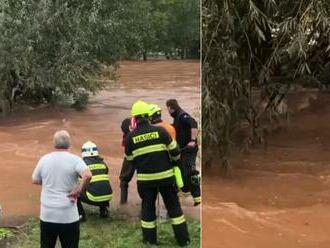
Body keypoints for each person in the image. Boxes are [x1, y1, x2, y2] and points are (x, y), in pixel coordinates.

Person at [124, 100, 190, 246]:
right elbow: (175, 152)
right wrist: (173, 162)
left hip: (145, 181)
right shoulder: (161, 131)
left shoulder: (130, 138)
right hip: (166, 177)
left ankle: (149, 241)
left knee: (147, 209)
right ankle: (183, 240)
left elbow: (130, 159)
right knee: (174, 208)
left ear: (134, 118)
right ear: (148, 116)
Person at [32, 130, 92, 248]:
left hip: (47, 214)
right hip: (68, 215)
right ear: (69, 144)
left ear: (54, 143)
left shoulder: (44, 159)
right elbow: (88, 175)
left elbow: (35, 180)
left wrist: (49, 183)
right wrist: (79, 189)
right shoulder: (75, 160)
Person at [166, 99, 201, 206]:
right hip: (182, 150)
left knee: (190, 173)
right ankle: (186, 193)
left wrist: (192, 140)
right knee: (182, 172)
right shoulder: (177, 118)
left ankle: (197, 197)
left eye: (167, 108)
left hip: (189, 149)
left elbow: (193, 123)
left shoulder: (182, 115)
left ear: (170, 108)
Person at [77, 141, 113, 221]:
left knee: (75, 191)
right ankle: (104, 211)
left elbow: (78, 178)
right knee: (100, 185)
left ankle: (80, 215)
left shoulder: (82, 164)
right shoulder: (103, 164)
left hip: (94, 198)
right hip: (108, 197)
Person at [119, 117, 136, 204]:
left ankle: (123, 204)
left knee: (123, 180)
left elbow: (128, 153)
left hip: (131, 158)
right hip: (144, 157)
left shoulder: (126, 138)